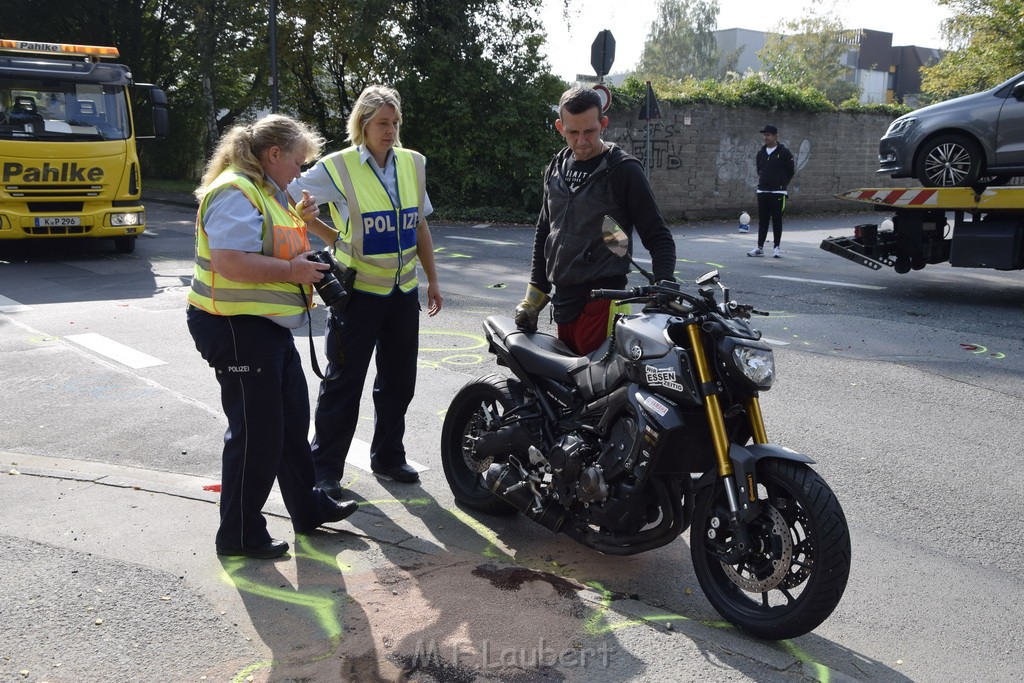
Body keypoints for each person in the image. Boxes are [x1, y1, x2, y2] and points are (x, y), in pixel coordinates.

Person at [186, 113, 359, 560]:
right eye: (298, 163)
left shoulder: (268, 190)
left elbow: (273, 245)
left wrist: (304, 227)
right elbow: (229, 261)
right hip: (235, 325)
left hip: (263, 326)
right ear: (274, 153)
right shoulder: (235, 190)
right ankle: (240, 532)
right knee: (257, 433)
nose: (301, 172)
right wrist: (293, 271)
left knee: (290, 422)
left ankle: (307, 507)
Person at [289, 85, 443, 498]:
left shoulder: (413, 164)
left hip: (402, 292)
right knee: (343, 384)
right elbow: (288, 198)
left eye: (394, 123)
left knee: (399, 382)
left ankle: (389, 458)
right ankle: (324, 471)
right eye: (382, 123)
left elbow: (420, 226)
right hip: (357, 295)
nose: (390, 130)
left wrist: (433, 280)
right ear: (363, 124)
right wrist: (321, 231)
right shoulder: (338, 167)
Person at [516, 85, 676, 356]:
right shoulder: (557, 167)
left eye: (589, 131)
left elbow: (658, 236)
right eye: (573, 132)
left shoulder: (623, 170)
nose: (581, 141)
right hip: (564, 303)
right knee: (567, 392)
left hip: (604, 305)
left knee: (602, 395)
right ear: (560, 127)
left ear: (603, 123)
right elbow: (546, 231)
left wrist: (663, 288)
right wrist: (534, 297)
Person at [748, 124, 795, 258]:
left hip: (778, 193)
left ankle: (776, 248)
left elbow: (790, 172)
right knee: (763, 220)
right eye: (764, 135)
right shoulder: (761, 153)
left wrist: (781, 185)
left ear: (775, 136)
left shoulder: (784, 152)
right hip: (762, 191)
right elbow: (759, 170)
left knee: (777, 220)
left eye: (768, 135)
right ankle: (759, 247)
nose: (765, 137)